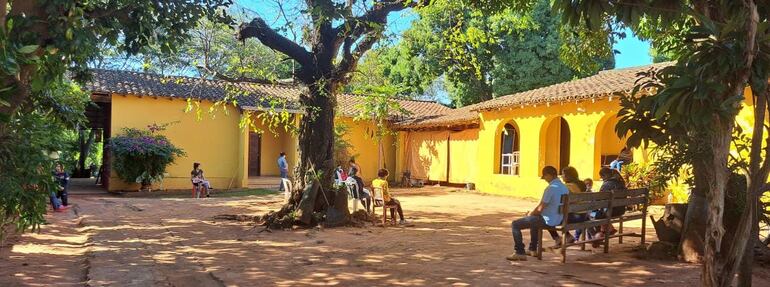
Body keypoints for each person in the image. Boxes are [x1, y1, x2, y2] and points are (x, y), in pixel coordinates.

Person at [506, 166, 569, 261]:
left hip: (548, 220)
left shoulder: (551, 188)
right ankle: (532, 249)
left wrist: (530, 213)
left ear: (548, 175)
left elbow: (540, 208)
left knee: (515, 224)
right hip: (559, 218)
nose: (545, 180)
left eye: (545, 177)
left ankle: (519, 252)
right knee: (534, 220)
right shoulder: (564, 187)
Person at [593, 167, 628, 242]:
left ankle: (598, 235)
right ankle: (608, 230)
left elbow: (598, 198)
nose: (602, 179)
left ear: (605, 175)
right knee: (601, 213)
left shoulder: (607, 184)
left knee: (594, 214)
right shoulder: (621, 182)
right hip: (621, 210)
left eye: (602, 177)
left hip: (611, 211)